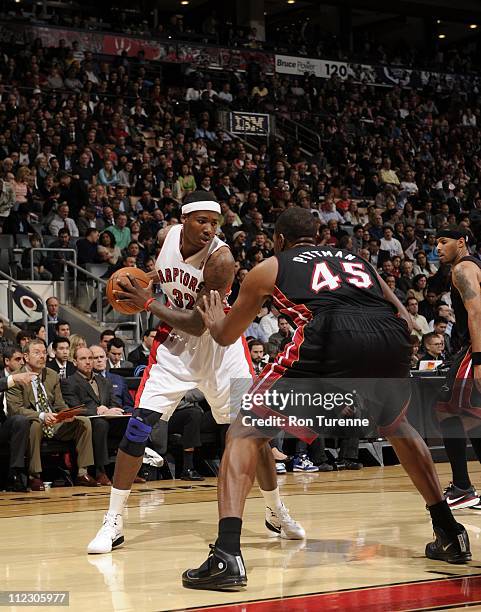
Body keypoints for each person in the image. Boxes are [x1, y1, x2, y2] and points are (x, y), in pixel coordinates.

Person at [183, 207, 471, 589]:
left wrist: (212, 316)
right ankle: (450, 532)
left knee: (244, 431)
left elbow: (224, 336)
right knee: (398, 425)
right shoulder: (358, 260)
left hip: (332, 335)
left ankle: (226, 555)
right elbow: (402, 314)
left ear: (279, 239)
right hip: (389, 338)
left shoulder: (270, 267)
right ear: (318, 236)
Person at [87, 192, 304, 555]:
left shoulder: (221, 259)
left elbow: (197, 324)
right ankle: (114, 520)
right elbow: (171, 275)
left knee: (256, 434)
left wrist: (146, 303)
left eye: (214, 223)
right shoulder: (169, 237)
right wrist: (147, 280)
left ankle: (274, 510)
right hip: (174, 348)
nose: (208, 229)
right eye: (201, 221)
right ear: (183, 220)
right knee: (139, 425)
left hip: (221, 345)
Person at [6, 339, 96, 491]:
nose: (42, 356)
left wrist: (66, 414)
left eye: (44, 353)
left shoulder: (52, 375)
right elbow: (16, 410)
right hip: (34, 421)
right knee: (34, 425)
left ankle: (82, 472)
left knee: (83, 422)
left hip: (54, 420)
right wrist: (41, 415)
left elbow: (59, 404)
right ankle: (34, 475)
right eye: (37, 353)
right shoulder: (16, 378)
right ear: (26, 357)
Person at [434, 228, 481, 510]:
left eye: (443, 242)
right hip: (471, 349)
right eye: (435, 243)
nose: (438, 248)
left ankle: (463, 488)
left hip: (473, 350)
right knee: (472, 417)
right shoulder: (473, 265)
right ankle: (463, 486)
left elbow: (476, 313)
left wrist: (478, 360)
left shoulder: (463, 269)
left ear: (461, 243)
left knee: (446, 410)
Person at [61, 347, 130, 486]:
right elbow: (75, 407)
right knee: (100, 424)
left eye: (90, 358)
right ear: (75, 362)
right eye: (83, 359)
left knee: (131, 423)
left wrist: (112, 410)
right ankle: (100, 471)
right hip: (87, 422)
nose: (88, 362)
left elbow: (115, 401)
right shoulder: (69, 382)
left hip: (109, 419)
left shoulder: (103, 381)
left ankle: (129, 470)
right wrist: (98, 411)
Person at [0, 345, 35, 491]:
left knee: (21, 420)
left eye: (22, 359)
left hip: (5, 425)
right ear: (7, 361)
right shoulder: (14, 377)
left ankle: (16, 472)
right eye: (17, 359)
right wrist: (13, 379)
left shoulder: (25, 376)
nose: (22, 362)